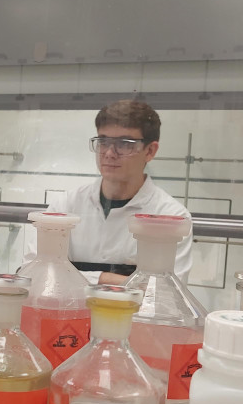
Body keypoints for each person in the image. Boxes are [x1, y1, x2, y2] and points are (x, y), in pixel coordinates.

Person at [22, 99, 192, 285]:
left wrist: (73, 276)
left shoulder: (171, 217)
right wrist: (110, 279)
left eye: (124, 144)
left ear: (150, 151)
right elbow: (32, 274)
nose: (110, 153)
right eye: (103, 142)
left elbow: (166, 293)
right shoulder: (65, 205)